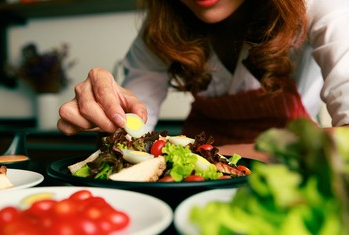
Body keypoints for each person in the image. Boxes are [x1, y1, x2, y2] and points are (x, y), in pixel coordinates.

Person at [58, 0, 349, 152]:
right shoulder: (162, 29)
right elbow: (134, 131)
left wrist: (208, 155)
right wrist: (107, 115)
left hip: (286, 172)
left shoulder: (321, 7)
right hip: (196, 180)